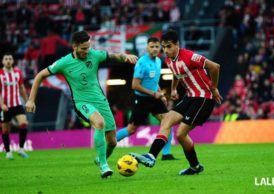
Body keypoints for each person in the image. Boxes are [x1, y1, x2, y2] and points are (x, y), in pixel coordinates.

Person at [25, 31, 137, 179]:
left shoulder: (94, 55)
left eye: (88, 47)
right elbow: (40, 75)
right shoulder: (64, 62)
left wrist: (125, 56)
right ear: (74, 47)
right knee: (99, 123)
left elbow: (114, 55)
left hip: (101, 101)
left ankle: (100, 159)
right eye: (83, 48)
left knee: (112, 142)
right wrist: (31, 100)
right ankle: (104, 166)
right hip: (82, 102)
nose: (87, 51)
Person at [130, 29, 223, 175]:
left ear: (177, 45)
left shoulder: (190, 56)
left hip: (204, 98)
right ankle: (151, 156)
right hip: (189, 97)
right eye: (163, 46)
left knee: (180, 134)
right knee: (166, 120)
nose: (165, 50)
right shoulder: (168, 60)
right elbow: (177, 73)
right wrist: (174, 89)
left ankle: (195, 166)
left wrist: (214, 87)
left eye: (169, 46)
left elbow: (215, 66)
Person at [116, 37, 176, 160]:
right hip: (142, 100)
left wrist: (161, 94)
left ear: (160, 48)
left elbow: (154, 81)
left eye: (157, 46)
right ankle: (109, 142)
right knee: (131, 129)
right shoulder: (142, 63)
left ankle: (166, 154)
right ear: (147, 48)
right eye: (152, 46)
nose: (154, 49)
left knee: (168, 122)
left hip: (155, 99)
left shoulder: (159, 61)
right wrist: (154, 94)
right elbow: (135, 85)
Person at [0, 53, 29, 160]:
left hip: (17, 104)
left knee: (24, 123)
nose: (8, 61)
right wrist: (2, 104)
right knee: (5, 129)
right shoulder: (0, 74)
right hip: (5, 106)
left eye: (10, 59)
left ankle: (21, 149)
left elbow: (21, 88)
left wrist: (27, 101)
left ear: (12, 61)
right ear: (3, 61)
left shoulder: (18, 73)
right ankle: (8, 152)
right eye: (6, 59)